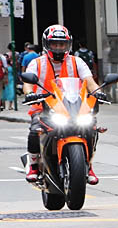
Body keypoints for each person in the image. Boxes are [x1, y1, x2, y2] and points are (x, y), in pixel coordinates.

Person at [24, 25, 102, 184]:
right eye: (55, 44)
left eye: (62, 44)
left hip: (73, 107)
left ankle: (89, 164)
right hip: (44, 108)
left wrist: (98, 91)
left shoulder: (76, 61)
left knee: (91, 127)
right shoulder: (37, 63)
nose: (59, 48)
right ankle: (33, 164)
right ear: (47, 44)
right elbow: (27, 83)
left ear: (68, 44)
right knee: (34, 131)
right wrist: (29, 93)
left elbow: (90, 82)